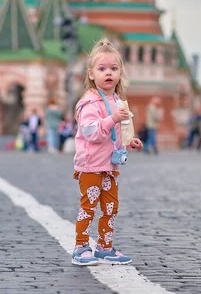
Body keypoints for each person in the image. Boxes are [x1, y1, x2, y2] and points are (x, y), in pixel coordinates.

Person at [71, 39, 143, 266]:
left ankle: (105, 246)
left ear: (121, 73)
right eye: (102, 69)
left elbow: (117, 133)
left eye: (113, 68)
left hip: (109, 166)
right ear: (91, 74)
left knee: (111, 208)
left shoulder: (117, 101)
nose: (108, 73)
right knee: (89, 207)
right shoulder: (89, 102)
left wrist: (129, 142)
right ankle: (80, 246)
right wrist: (112, 119)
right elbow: (91, 131)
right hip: (91, 165)